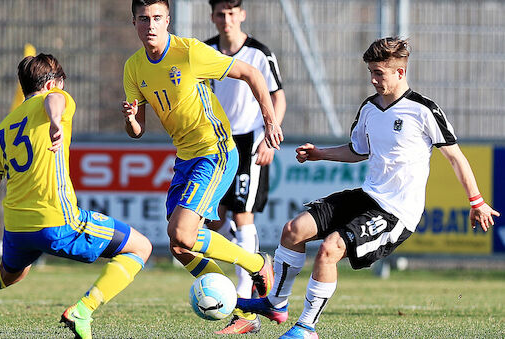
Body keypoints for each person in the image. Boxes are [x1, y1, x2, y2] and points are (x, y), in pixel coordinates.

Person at [236, 37, 501, 339]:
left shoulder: (423, 110)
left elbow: (455, 157)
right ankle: (276, 304)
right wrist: (320, 153)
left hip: (396, 213)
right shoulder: (370, 108)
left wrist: (476, 201)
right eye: (371, 72)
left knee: (329, 249)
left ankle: (307, 327)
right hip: (367, 196)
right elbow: (358, 150)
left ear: (400, 73)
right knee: (293, 229)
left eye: (380, 73)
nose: (373, 79)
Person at [0, 53, 152, 339]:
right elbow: (55, 101)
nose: (62, 90)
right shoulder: (56, 100)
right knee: (140, 247)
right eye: (60, 84)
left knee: (11, 273)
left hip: (17, 228)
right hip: (57, 221)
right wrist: (55, 120)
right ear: (51, 84)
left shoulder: (3, 129)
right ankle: (83, 310)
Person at [122, 0, 283, 323]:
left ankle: (256, 264)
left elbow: (250, 73)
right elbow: (136, 131)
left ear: (167, 20)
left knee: (183, 233)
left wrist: (269, 121)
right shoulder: (133, 67)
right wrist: (130, 119)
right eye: (143, 19)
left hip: (216, 149)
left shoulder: (190, 52)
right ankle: (242, 312)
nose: (150, 25)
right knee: (180, 246)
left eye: (157, 18)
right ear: (135, 23)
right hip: (185, 157)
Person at [203, 0, 286, 334]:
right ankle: (246, 258)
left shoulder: (259, 53)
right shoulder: (206, 51)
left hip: (249, 141)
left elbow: (278, 96)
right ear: (213, 17)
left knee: (242, 214)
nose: (226, 19)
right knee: (212, 220)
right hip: (214, 142)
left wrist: (270, 136)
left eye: (232, 13)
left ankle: (244, 307)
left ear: (242, 15)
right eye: (220, 14)